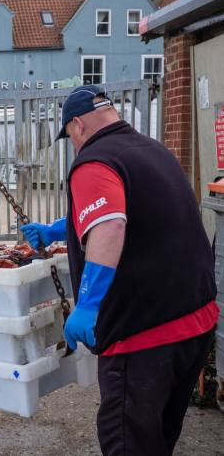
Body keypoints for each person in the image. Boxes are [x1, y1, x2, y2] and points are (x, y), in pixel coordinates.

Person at [21, 85, 219, 456]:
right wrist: (56, 229)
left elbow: (110, 224)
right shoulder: (152, 149)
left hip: (143, 335)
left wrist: (89, 304)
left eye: (70, 137)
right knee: (158, 436)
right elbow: (124, 207)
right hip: (195, 323)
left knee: (128, 441)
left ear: (77, 124)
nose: (73, 145)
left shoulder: (94, 160)